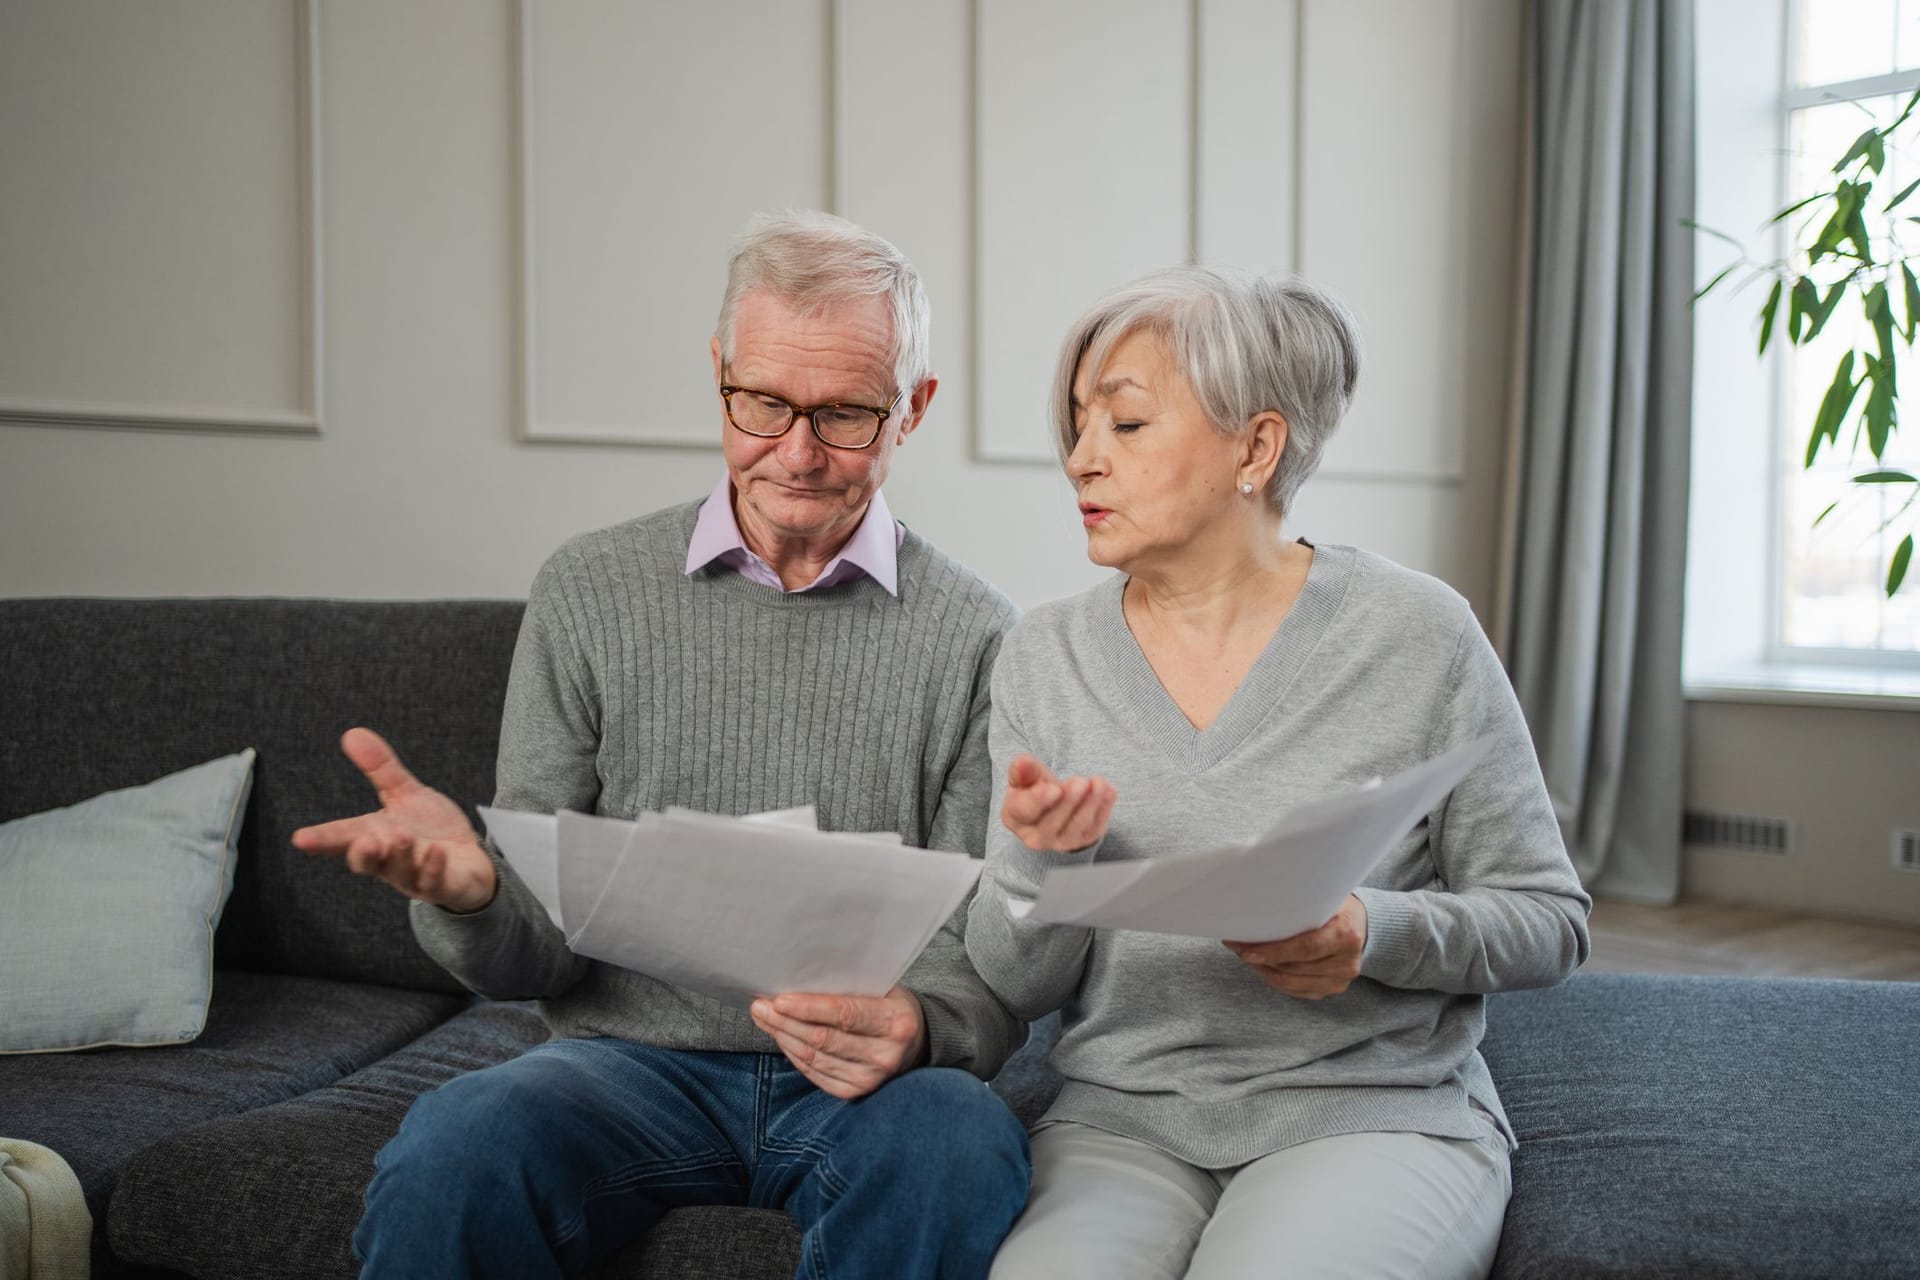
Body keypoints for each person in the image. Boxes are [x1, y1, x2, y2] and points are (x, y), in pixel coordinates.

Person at [293, 210, 1030, 1280]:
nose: (797, 451)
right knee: (460, 1141)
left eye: (846, 414)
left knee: (959, 1142)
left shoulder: (981, 635)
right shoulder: (588, 591)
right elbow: (534, 955)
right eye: (764, 402)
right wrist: (471, 896)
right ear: (720, 374)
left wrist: (922, 1023)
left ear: (912, 407)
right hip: (621, 1063)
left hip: (869, 1088)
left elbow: (983, 955)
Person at [965, 266, 1591, 1279]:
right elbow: (1013, 979)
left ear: (1255, 447)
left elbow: (1549, 919)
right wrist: (1043, 863)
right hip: (1122, 1124)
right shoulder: (1045, 654)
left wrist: (1371, 932)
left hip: (1372, 1116)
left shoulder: (1418, 631)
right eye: (1076, 424)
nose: (1080, 459)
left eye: (1124, 425)